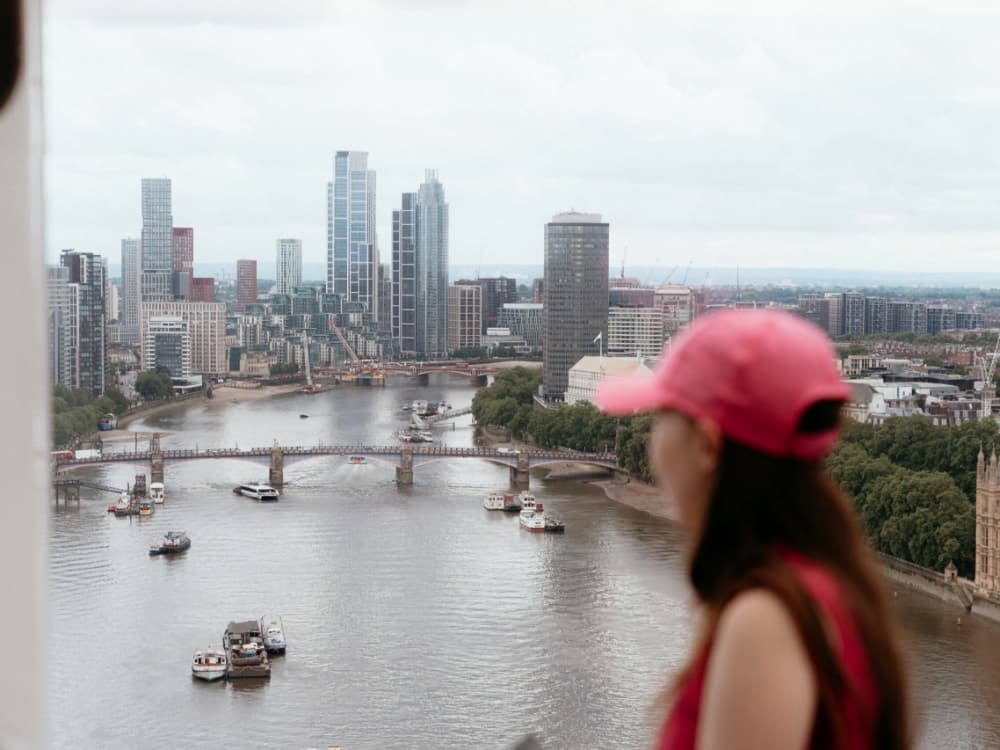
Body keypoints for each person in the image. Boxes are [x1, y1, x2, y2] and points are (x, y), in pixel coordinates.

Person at [595, 309, 911, 750]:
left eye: (660, 420)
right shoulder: (828, 585)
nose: (652, 447)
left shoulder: (765, 619)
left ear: (707, 444)